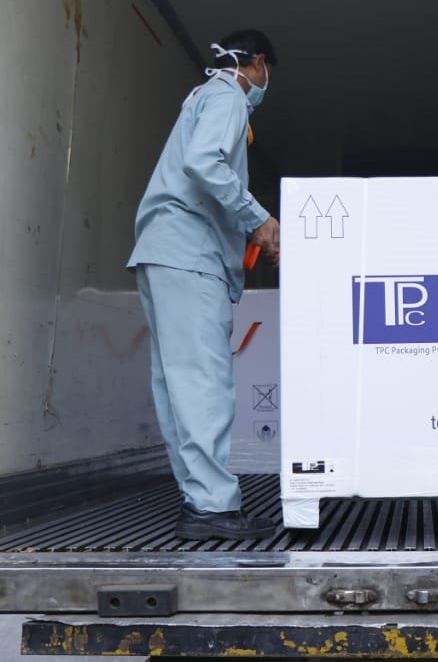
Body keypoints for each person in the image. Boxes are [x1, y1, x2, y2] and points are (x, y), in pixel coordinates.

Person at [127, 29, 281, 540]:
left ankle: (203, 502)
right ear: (256, 64)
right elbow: (204, 162)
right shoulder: (227, 96)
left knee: (178, 387)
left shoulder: (201, 97)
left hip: (163, 253)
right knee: (203, 384)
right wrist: (258, 218)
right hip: (188, 255)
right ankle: (213, 508)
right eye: (267, 76)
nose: (264, 86)